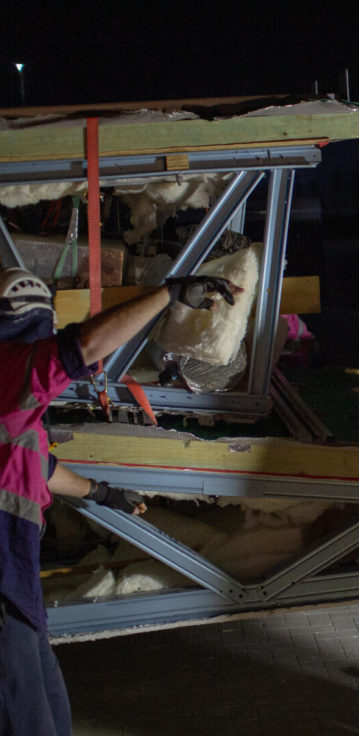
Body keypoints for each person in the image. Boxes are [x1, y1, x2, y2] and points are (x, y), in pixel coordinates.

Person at [0, 267, 239, 736]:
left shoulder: (15, 404)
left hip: (18, 595)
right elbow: (83, 349)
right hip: (4, 600)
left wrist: (104, 494)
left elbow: (37, 467)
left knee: (52, 718)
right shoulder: (9, 372)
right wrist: (168, 295)